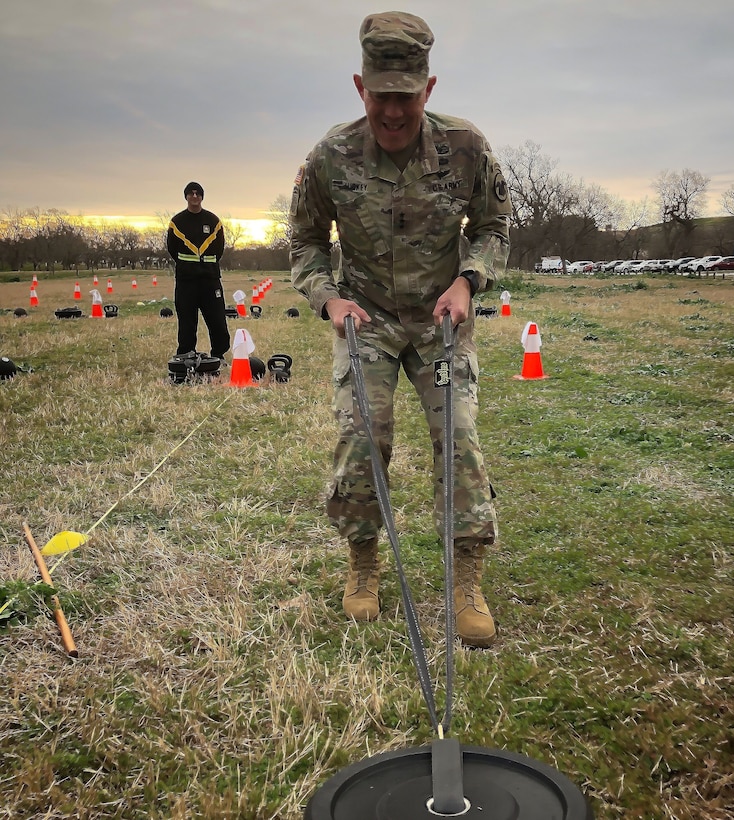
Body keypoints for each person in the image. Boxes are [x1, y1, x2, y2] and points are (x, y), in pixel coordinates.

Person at [290, 12, 511, 648]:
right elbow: (303, 241)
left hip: (441, 320)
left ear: (429, 89)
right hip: (368, 322)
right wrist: (329, 299)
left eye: (406, 98)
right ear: (360, 87)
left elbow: (496, 225)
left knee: (458, 440)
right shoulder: (330, 156)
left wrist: (468, 281)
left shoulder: (466, 146)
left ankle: (466, 575)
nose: (393, 112)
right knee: (363, 437)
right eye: (382, 96)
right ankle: (363, 563)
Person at [166, 182, 230, 363]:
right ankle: (186, 354)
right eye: (191, 193)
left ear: (202, 196)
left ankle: (218, 354)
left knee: (217, 318)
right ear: (186, 196)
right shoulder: (177, 222)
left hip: (210, 279)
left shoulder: (213, 221)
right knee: (187, 320)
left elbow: (219, 250)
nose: (194, 196)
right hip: (186, 280)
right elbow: (172, 249)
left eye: (198, 193)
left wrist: (206, 265)